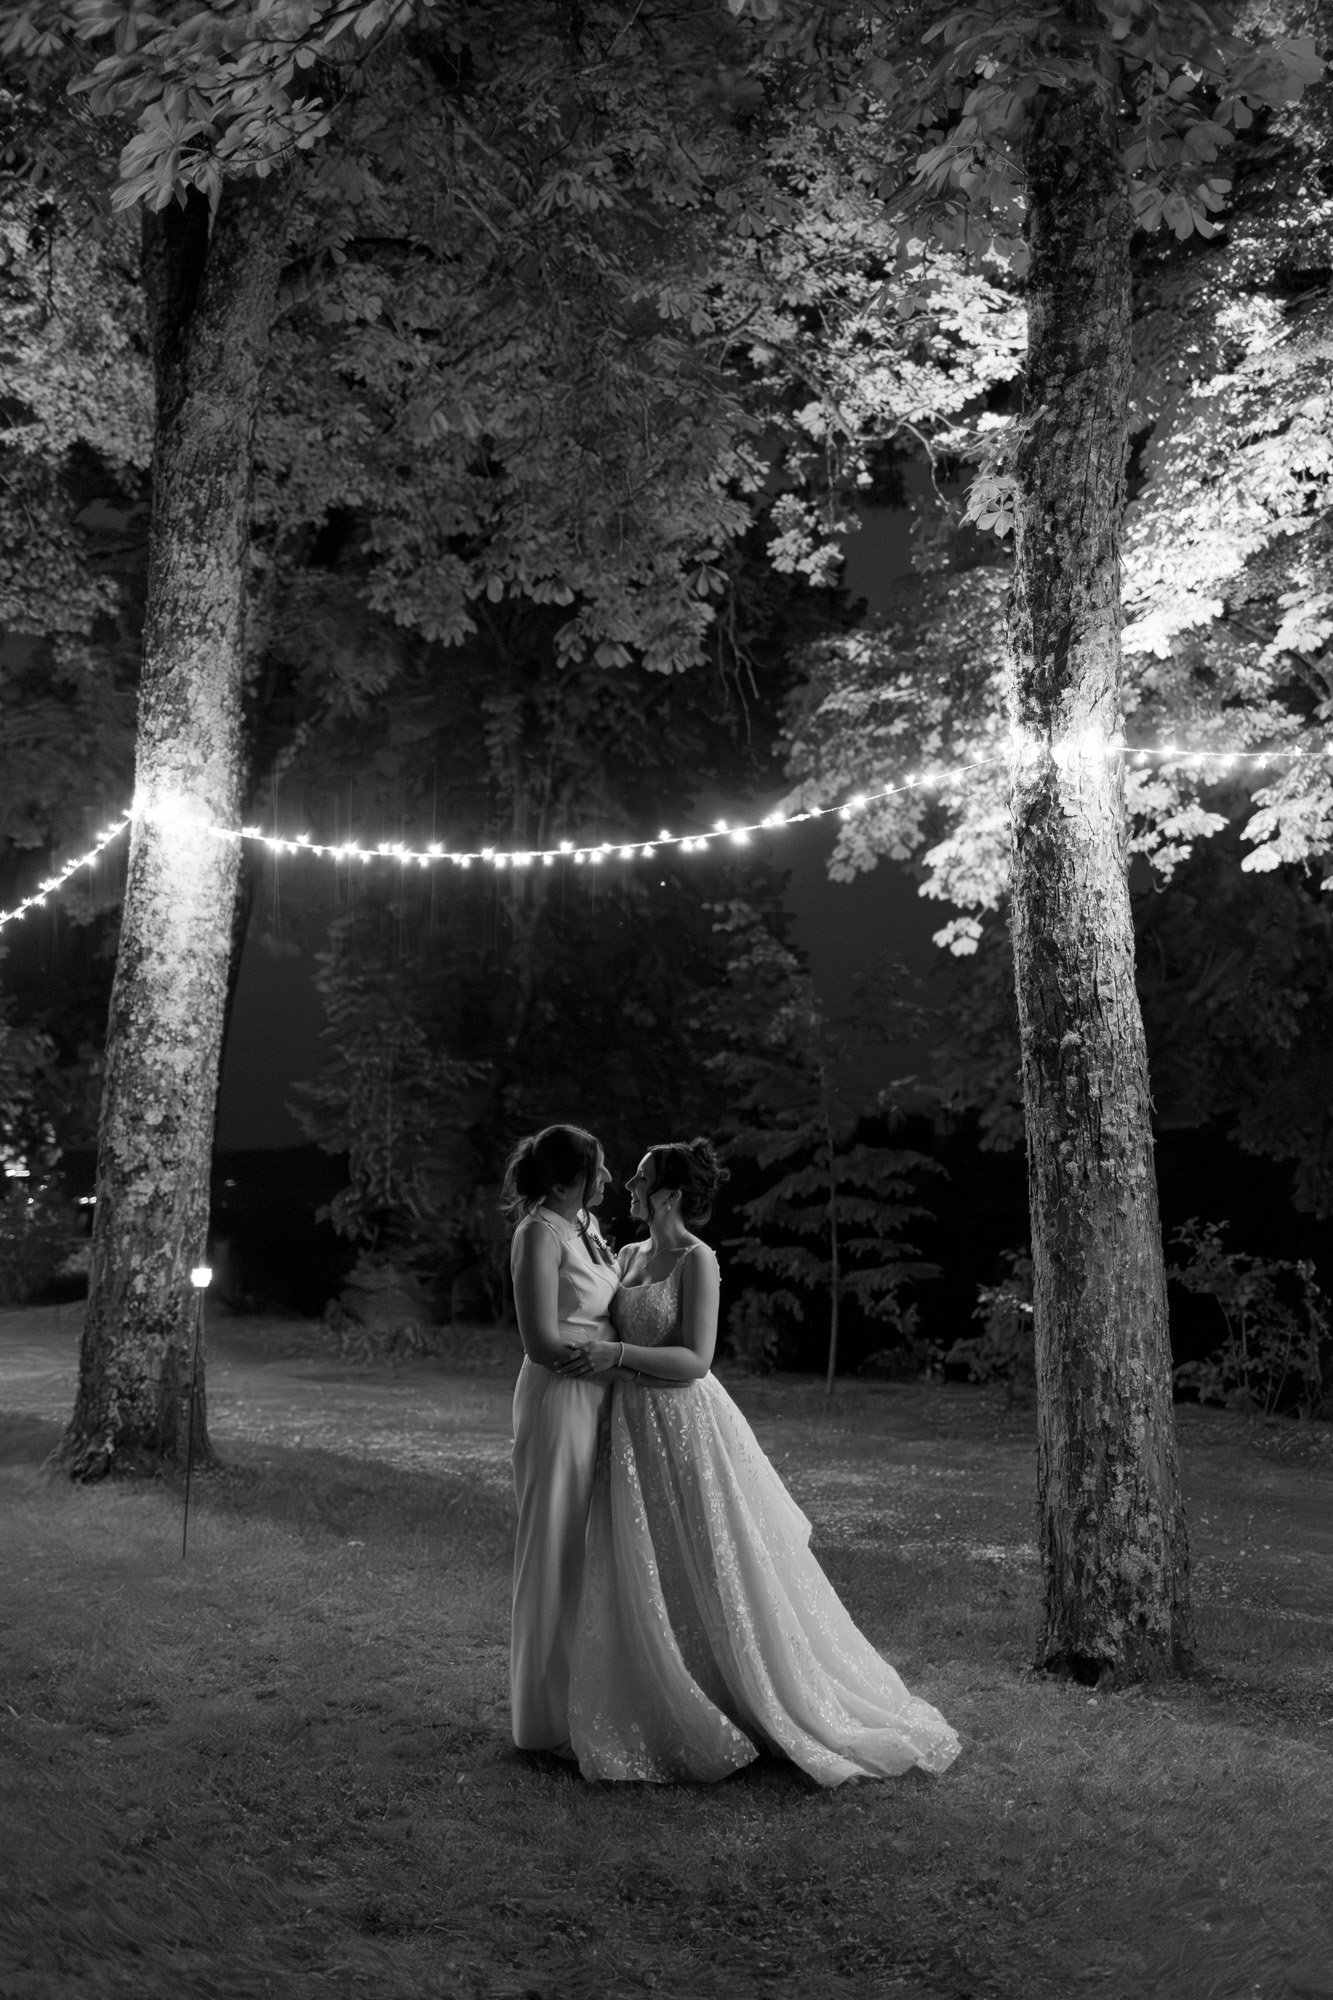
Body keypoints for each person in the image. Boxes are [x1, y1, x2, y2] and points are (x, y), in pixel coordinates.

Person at [554, 1137, 961, 1787]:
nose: (627, 1185)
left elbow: (694, 1361)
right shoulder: (626, 1254)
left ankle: (748, 1690)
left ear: (668, 1194)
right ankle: (669, 1689)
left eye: (637, 1178)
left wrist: (617, 1359)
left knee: (713, 1556)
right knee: (643, 1556)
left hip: (683, 1422)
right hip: (627, 1427)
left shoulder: (697, 1261)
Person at [504, 1123, 620, 1758]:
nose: (606, 1180)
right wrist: (603, 1358)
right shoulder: (538, 1234)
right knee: (552, 1544)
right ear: (559, 1182)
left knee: (592, 1544)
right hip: (560, 1397)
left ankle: (590, 1695)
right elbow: (541, 1343)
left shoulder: (588, 1230)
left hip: (599, 1391)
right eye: (595, 1170)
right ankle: (543, 1720)